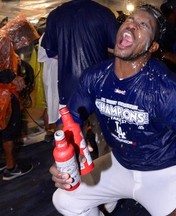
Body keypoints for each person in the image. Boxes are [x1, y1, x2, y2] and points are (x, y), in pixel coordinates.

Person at [49, 4, 176, 216]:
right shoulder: (95, 76)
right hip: (121, 163)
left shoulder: (167, 88)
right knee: (65, 199)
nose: (131, 25)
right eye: (130, 20)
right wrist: (65, 158)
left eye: (143, 25)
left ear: (152, 47)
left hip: (165, 170)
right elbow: (70, 116)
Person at [41, 0, 119, 106]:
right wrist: (100, 46)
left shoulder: (55, 15)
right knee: (98, 120)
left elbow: (51, 52)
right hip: (98, 84)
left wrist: (67, 55)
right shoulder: (104, 13)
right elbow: (119, 48)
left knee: (71, 121)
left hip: (69, 88)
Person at [0, 15, 39, 180]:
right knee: (9, 131)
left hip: (6, 93)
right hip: (4, 96)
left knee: (5, 130)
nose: (24, 44)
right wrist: (13, 78)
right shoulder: (3, 41)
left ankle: (7, 163)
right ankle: (11, 168)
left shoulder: (3, 39)